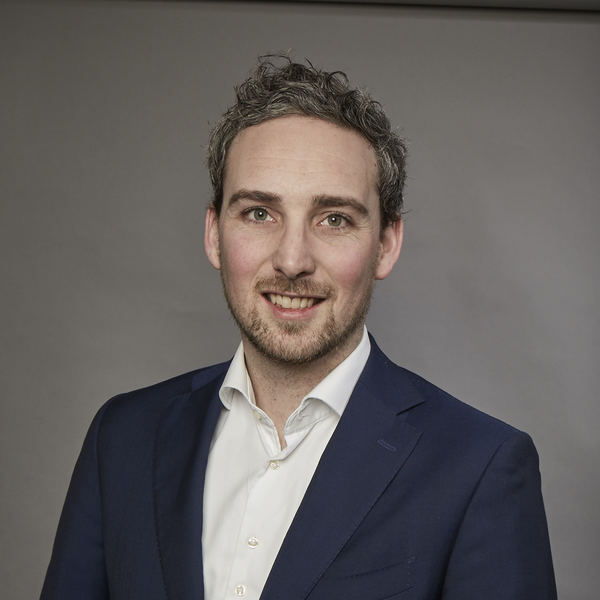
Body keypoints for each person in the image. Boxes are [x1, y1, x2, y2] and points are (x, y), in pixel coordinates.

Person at [41, 56, 557, 600]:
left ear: (386, 244)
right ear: (215, 234)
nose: (292, 261)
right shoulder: (122, 437)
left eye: (334, 219)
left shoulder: (479, 466)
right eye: (259, 213)